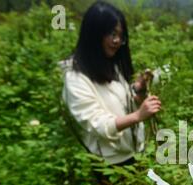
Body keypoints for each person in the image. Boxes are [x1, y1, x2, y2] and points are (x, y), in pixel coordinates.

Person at [60, 1, 161, 168]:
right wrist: (137, 116)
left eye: (121, 36)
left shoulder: (109, 64)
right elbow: (97, 123)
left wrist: (137, 89)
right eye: (112, 34)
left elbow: (116, 100)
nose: (117, 41)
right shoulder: (75, 77)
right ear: (94, 34)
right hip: (110, 163)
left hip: (133, 151)